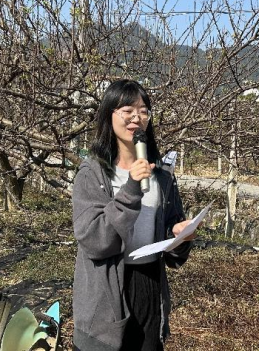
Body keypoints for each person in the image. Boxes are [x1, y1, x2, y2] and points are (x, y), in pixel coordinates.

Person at [72, 79, 195, 351]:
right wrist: (131, 189)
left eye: (143, 111)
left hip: (149, 284)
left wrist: (180, 236)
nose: (136, 118)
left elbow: (171, 229)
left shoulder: (161, 176)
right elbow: (94, 241)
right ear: (109, 115)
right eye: (127, 110)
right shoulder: (93, 173)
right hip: (106, 290)